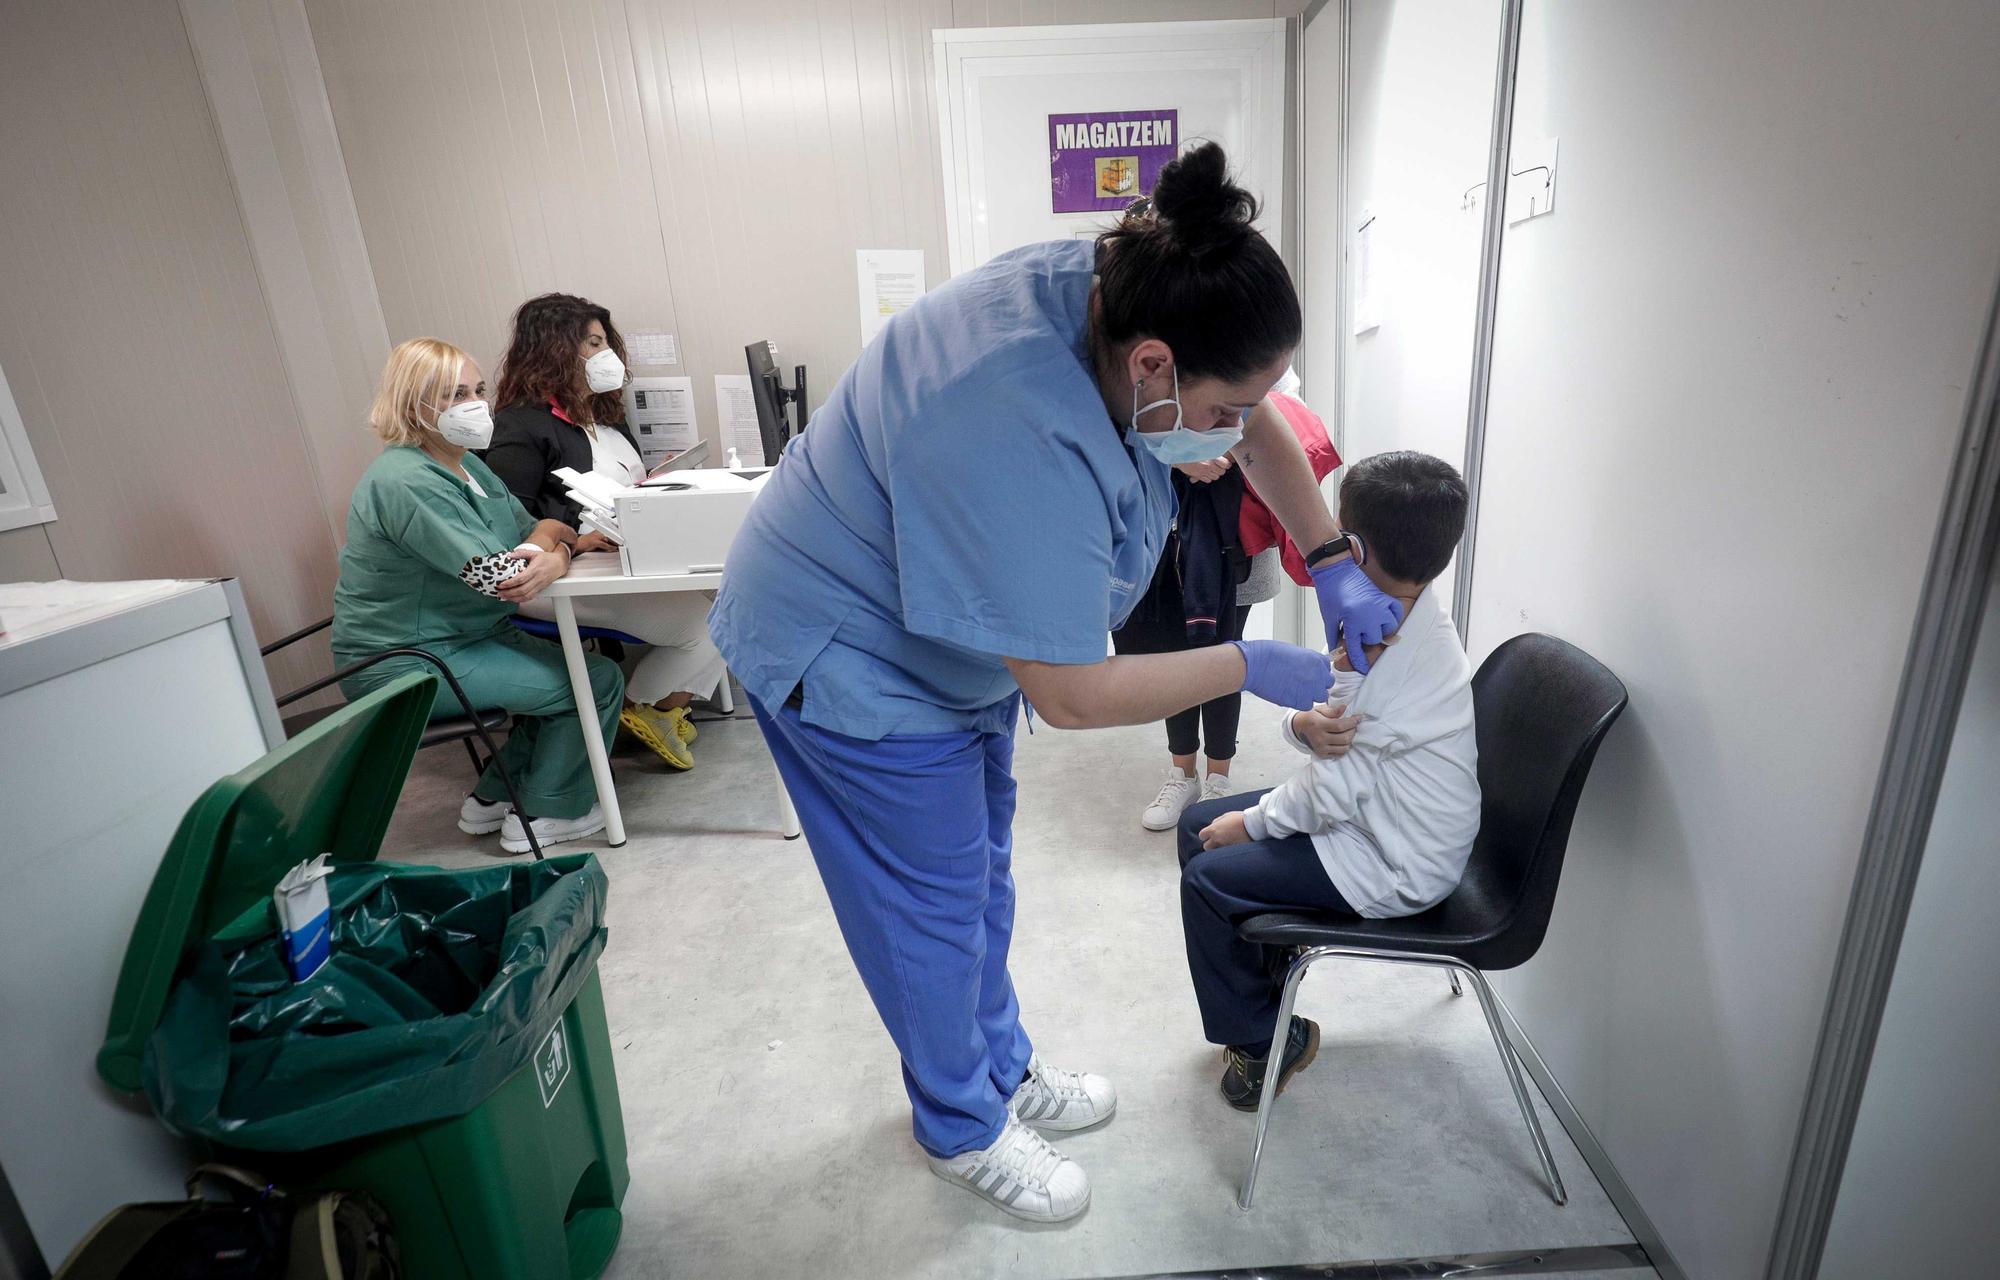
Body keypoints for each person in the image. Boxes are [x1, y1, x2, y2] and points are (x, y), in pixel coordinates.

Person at [709, 142, 1407, 1223]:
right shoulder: (1005, 420)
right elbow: (1073, 693)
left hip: (940, 634)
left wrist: (1328, 558)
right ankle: (960, 1123)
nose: (1240, 425)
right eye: (1224, 404)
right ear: (1151, 366)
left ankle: (999, 1064)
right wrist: (1248, 661)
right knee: (931, 904)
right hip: (844, 642)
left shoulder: (1124, 291)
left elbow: (1250, 403)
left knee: (981, 878)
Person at [1176, 450, 1477, 1110]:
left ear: (1354, 547)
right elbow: (1327, 725)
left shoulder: (1387, 658)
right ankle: (1268, 979)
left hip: (1397, 860)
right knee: (1197, 825)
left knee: (1205, 870)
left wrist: (1249, 823)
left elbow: (1331, 794)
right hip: (1385, 819)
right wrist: (1298, 728)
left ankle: (1263, 1041)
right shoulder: (1404, 614)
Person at [332, 337, 623, 854]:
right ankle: (547, 812)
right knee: (592, 680)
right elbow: (504, 577)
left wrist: (550, 544)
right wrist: (554, 555)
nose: (474, 405)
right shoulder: (405, 480)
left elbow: (540, 524)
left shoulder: (466, 465)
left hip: (466, 637)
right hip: (408, 660)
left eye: (477, 390)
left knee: (572, 672)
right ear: (411, 404)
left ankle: (492, 799)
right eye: (452, 394)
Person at [483, 292, 728, 771]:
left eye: (605, 342)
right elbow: (511, 524)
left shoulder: (605, 415)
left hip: (615, 560)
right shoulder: (520, 427)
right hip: (553, 576)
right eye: (594, 343)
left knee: (731, 601)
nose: (607, 355)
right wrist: (580, 538)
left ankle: (661, 707)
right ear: (557, 350)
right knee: (710, 627)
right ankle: (643, 710)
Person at [1124, 375, 1356, 831]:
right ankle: (1181, 773)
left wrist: (1232, 448)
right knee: (1175, 655)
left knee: (1225, 654)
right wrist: (1179, 457)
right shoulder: (1154, 369)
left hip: (1238, 544)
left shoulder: (1251, 361)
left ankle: (1218, 780)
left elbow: (1281, 420)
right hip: (1170, 537)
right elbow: (1129, 433)